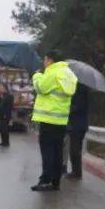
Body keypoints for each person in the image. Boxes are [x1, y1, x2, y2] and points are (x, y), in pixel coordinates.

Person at [30, 50, 78, 192]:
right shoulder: (69, 74)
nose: (44, 63)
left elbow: (40, 87)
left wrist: (37, 75)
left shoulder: (52, 72)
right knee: (57, 153)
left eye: (45, 60)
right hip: (61, 120)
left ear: (50, 60)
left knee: (47, 152)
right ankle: (55, 182)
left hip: (48, 119)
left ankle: (45, 180)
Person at [66, 83, 90, 179]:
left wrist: (68, 107)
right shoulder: (82, 89)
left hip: (77, 125)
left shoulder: (80, 90)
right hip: (79, 124)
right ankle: (76, 171)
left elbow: (77, 107)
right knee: (75, 149)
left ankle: (76, 172)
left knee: (74, 150)